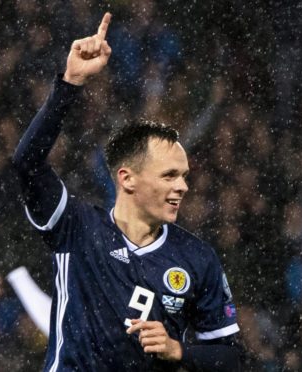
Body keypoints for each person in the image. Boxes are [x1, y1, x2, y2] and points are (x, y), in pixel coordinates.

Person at [12, 12, 241, 372]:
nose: (181, 186)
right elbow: (27, 163)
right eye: (168, 175)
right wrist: (70, 83)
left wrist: (179, 351)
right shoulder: (76, 227)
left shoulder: (197, 258)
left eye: (183, 176)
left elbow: (230, 357)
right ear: (127, 178)